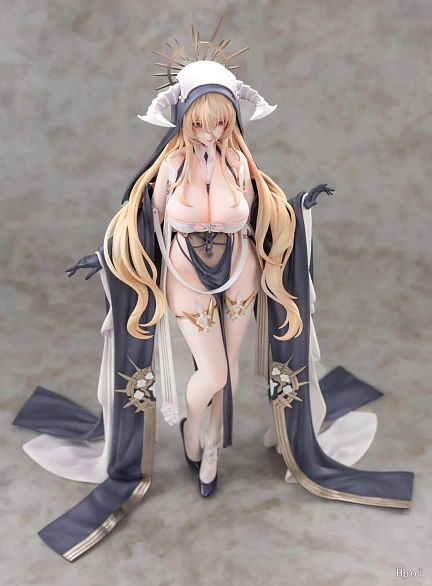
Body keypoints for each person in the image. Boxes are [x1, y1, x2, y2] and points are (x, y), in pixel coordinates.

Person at [13, 19, 414, 562]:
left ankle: (210, 453)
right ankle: (193, 435)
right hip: (184, 274)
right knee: (214, 372)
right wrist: (107, 258)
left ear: (231, 119)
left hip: (241, 268)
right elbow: (141, 224)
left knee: (230, 368)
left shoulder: (240, 164)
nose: (210, 132)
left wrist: (301, 208)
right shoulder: (170, 167)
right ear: (184, 118)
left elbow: (266, 213)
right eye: (200, 122)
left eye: (220, 121)